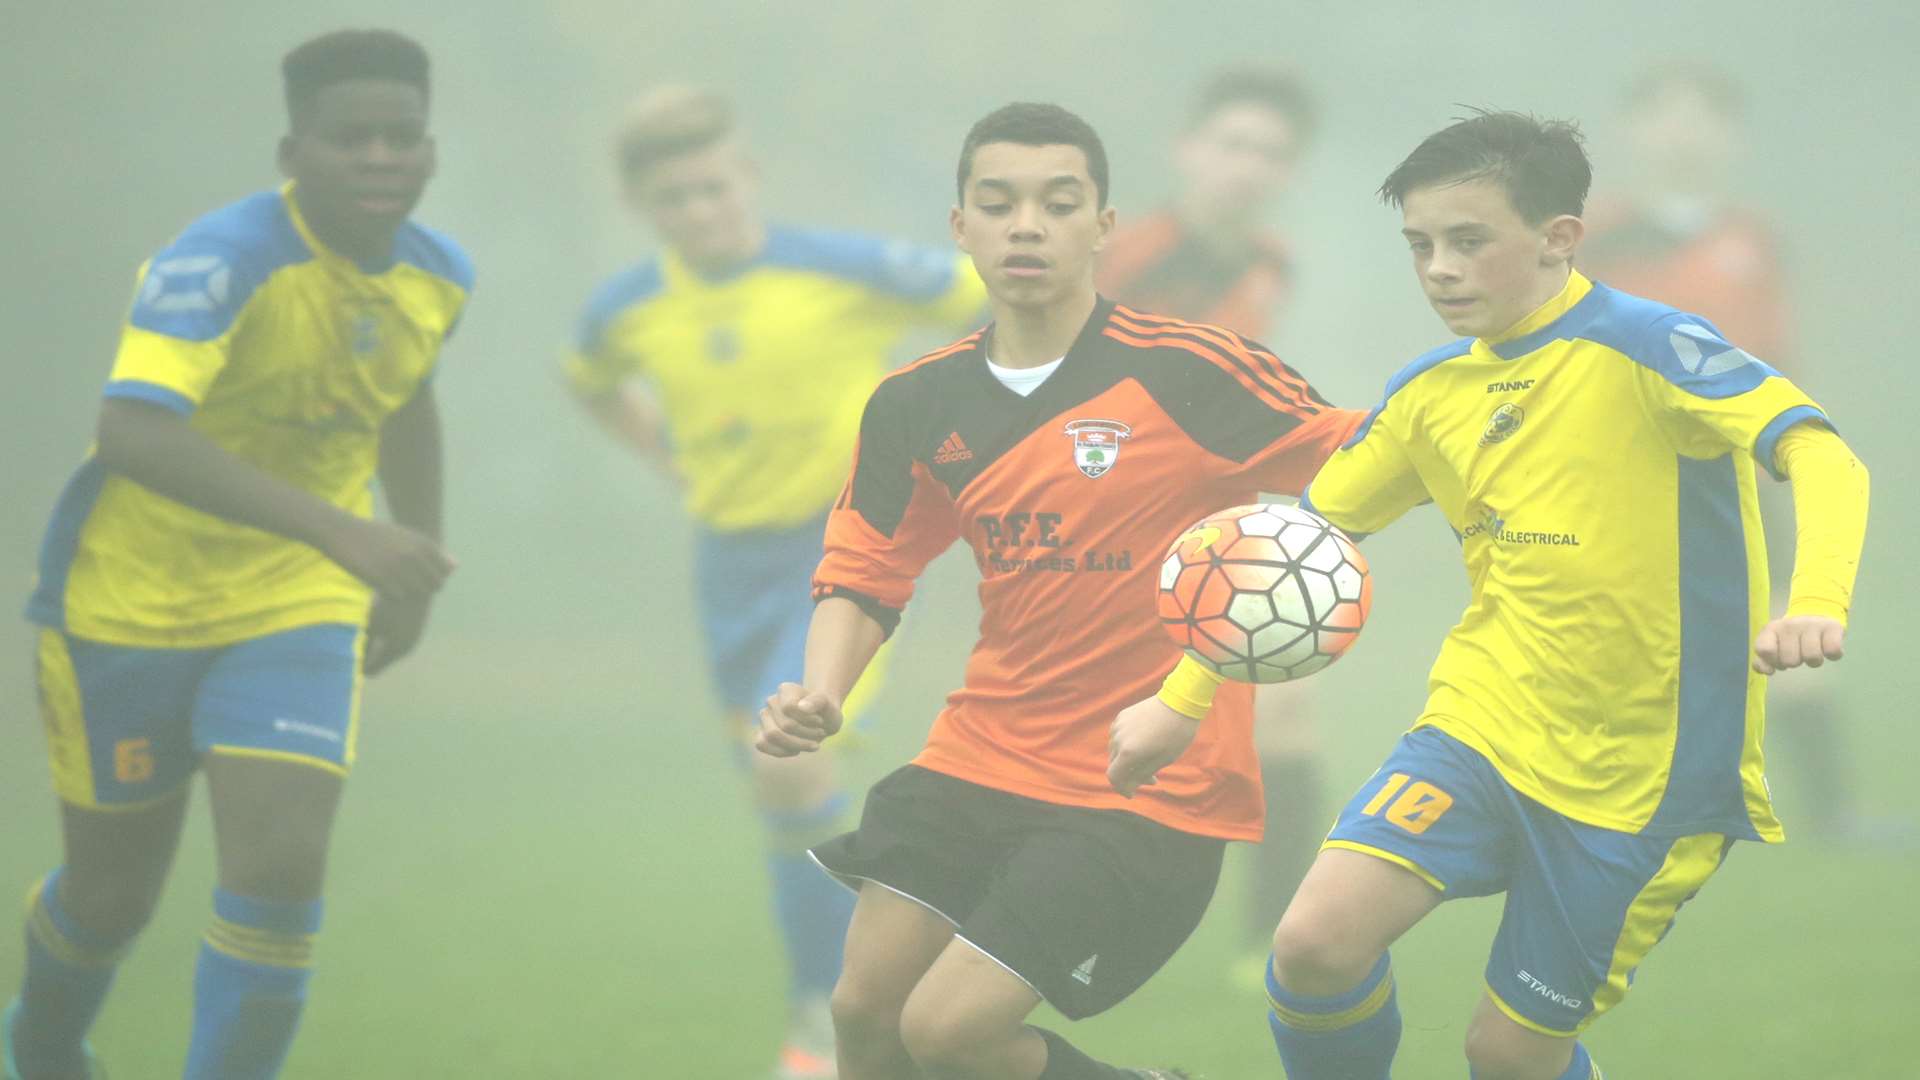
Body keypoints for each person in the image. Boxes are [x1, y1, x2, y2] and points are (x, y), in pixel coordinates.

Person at [1252, 111, 1869, 1080]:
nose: (1439, 270)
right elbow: (1286, 554)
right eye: (1421, 246)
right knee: (1315, 943)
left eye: (1468, 241)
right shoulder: (1430, 396)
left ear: (1558, 237)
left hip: (1650, 778)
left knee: (1506, 1054)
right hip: (1480, 731)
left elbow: (1820, 452)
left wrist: (1818, 598)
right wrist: (1179, 704)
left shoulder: (1653, 347)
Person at [757, 101, 1362, 1080]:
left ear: (1104, 227)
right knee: (864, 1013)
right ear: (962, 228)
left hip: (1143, 783)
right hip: (979, 752)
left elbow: (1364, 454)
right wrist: (822, 687)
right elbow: (868, 566)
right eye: (997, 203)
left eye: (1057, 202)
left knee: (948, 1034)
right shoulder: (917, 402)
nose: (1025, 224)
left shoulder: (1189, 369)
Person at [4, 29, 470, 1080]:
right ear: (292, 151)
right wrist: (350, 531)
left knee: (280, 864)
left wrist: (416, 557)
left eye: (402, 138)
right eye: (352, 138)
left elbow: (405, 398)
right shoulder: (220, 259)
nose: (381, 158)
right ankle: (39, 1043)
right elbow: (133, 431)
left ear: (431, 154)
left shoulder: (438, 278)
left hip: (292, 603)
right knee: (111, 898)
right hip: (122, 606)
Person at [562, 85, 985, 1080]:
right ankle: (893, 972)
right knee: (790, 797)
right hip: (728, 568)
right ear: (645, 209)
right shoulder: (628, 309)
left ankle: (824, 1019)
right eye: (676, 200)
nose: (701, 212)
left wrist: (953, 440)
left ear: (747, 176)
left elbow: (994, 301)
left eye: (714, 187)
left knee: (787, 763)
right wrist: (665, 456)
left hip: (842, 547)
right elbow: (585, 377)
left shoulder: (843, 268)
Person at [1582, 66, 1889, 846]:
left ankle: (1833, 819)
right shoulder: (1594, 234)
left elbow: (1777, 351)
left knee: (1793, 629)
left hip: (1743, 475)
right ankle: (1602, 812)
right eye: (1666, 115)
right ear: (1635, 131)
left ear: (1729, 136)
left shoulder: (1753, 237)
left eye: (1703, 118)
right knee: (1620, 646)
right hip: (1629, 479)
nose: (1685, 133)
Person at [1096, 64, 1329, 949]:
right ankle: (1073, 916)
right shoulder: (1126, 256)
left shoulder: (1274, 264)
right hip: (1106, 526)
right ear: (1185, 150)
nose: (1249, 166)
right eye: (1233, 144)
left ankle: (1272, 940)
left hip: (1219, 520)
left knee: (1289, 714)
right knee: (1107, 729)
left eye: (1271, 152)